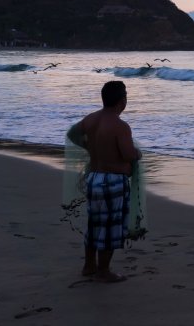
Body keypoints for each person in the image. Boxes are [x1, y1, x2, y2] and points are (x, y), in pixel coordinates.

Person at [66, 81, 141, 282]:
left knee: (95, 224)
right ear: (122, 101)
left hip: (94, 178)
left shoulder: (91, 119)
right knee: (110, 227)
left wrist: (90, 147)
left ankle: (89, 266)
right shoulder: (120, 126)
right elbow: (127, 154)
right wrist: (137, 153)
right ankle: (103, 271)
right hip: (112, 182)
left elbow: (72, 134)